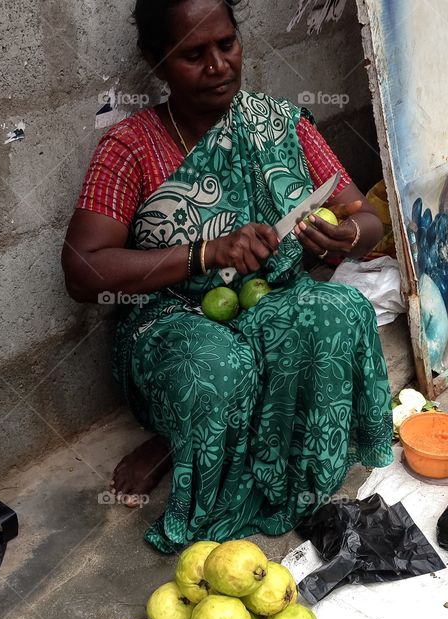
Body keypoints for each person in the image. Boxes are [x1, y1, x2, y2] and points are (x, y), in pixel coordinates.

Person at [62, 0, 393, 552]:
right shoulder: (131, 148)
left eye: (227, 44)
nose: (218, 65)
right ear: (156, 61)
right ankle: (179, 441)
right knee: (218, 367)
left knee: (340, 313)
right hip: (171, 320)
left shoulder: (279, 124)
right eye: (194, 54)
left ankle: (234, 458)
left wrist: (349, 236)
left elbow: (365, 212)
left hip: (271, 299)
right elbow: (83, 270)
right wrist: (203, 253)